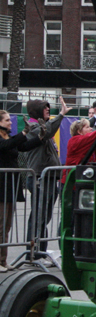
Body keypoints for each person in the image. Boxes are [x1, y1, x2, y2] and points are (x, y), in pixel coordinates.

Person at [25, 96, 74, 252]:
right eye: (44, 107)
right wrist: (61, 115)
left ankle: (41, 251)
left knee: (44, 218)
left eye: (48, 107)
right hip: (40, 177)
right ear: (36, 110)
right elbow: (45, 133)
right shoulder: (33, 127)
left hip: (49, 177)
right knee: (38, 217)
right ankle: (34, 253)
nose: (48, 109)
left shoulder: (42, 125)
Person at [0, 110, 43, 272]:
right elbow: (6, 146)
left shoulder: (7, 136)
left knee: (7, 226)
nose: (10, 122)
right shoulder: (3, 139)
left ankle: (3, 260)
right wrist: (24, 132)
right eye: (6, 120)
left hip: (9, 186)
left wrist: (40, 138)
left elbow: (22, 146)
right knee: (1, 225)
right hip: (1, 186)